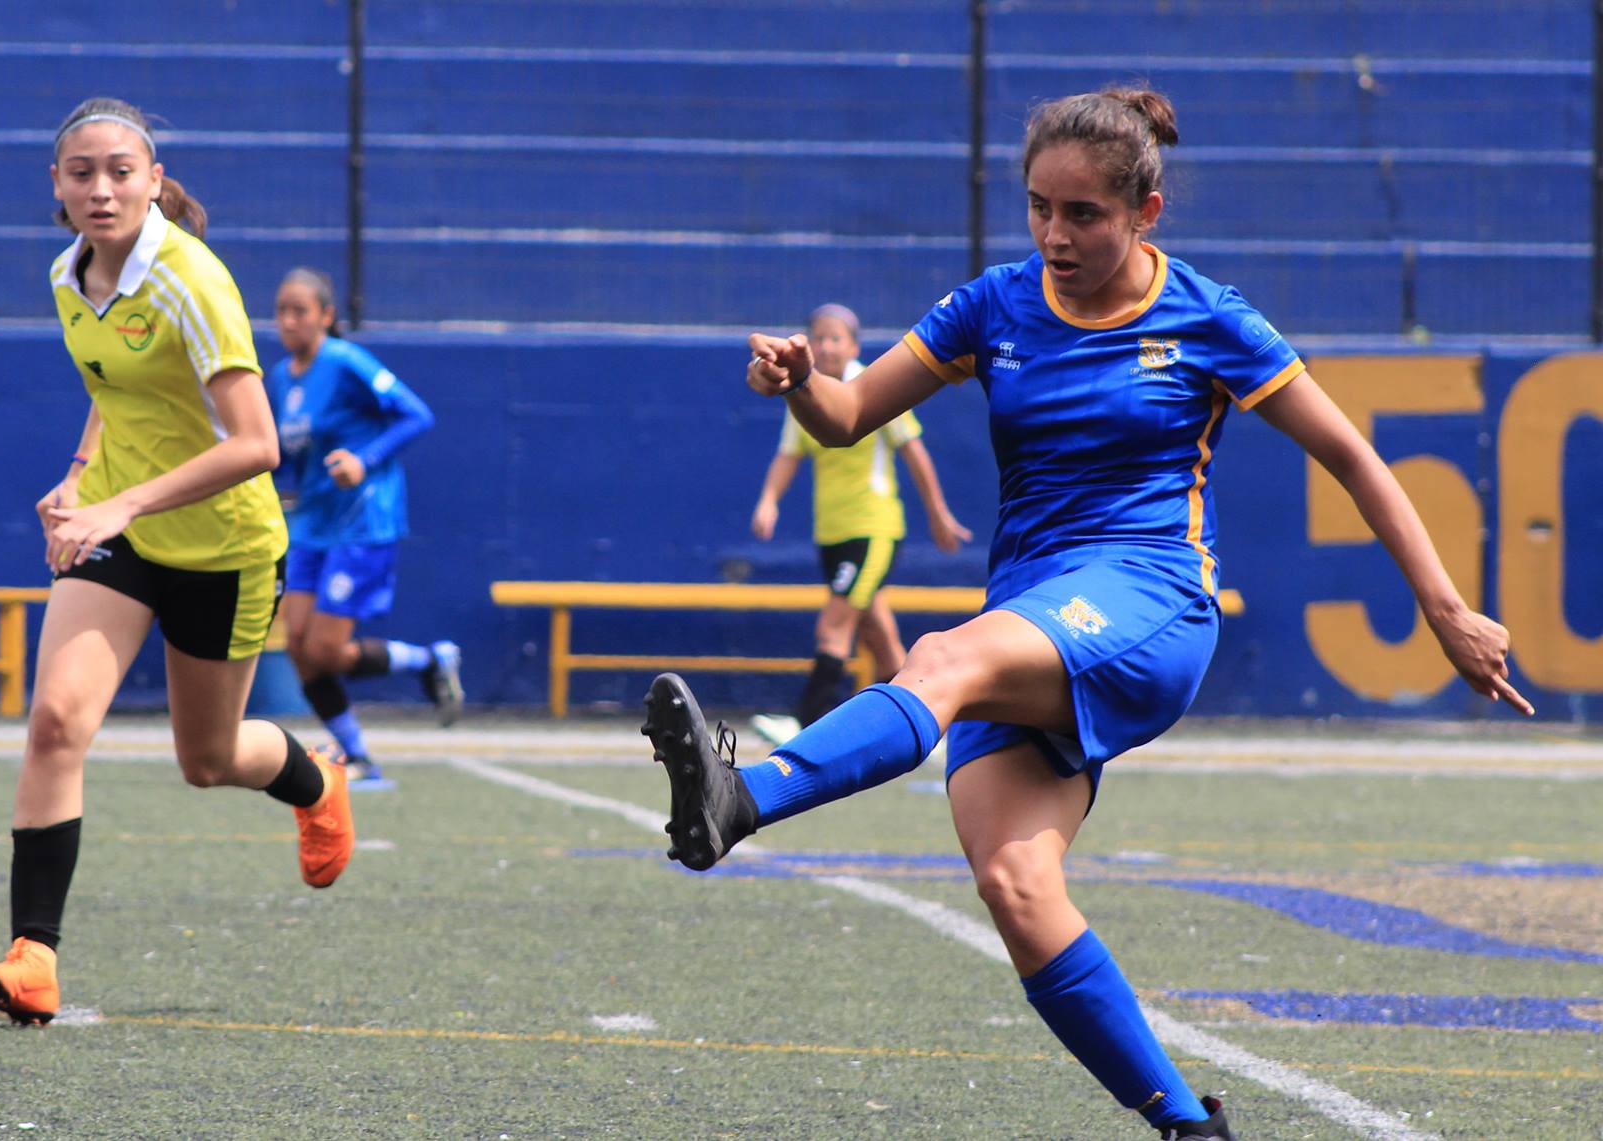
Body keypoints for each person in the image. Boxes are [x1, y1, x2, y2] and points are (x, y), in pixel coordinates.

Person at [642, 87, 1530, 1140]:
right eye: (1037, 209)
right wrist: (797, 380)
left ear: (1143, 213)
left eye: (1083, 215)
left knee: (937, 656)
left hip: (1149, 602)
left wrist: (1444, 608)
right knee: (1015, 885)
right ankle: (1188, 1126)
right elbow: (843, 420)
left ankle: (742, 797)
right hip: (1033, 616)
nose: (1054, 236)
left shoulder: (1207, 318)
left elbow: (1351, 458)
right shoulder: (994, 305)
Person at [0, 97, 355, 1027]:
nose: (101, 188)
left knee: (208, 759)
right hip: (124, 534)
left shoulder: (189, 279)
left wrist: (118, 500)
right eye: (81, 171)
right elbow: (117, 392)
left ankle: (316, 778)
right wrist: (78, 479)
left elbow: (256, 444)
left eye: (120, 171)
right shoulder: (69, 275)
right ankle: (35, 958)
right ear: (55, 184)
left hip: (225, 547)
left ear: (154, 178)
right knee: (56, 720)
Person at [266, 267, 461, 785]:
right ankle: (357, 755)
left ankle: (425, 661)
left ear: (326, 316)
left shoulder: (346, 361)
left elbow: (416, 414)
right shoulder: (281, 378)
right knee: (300, 648)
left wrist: (364, 460)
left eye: (300, 310)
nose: (288, 320)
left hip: (361, 521)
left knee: (326, 650)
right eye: (281, 310)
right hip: (311, 524)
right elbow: (287, 461)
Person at [747, 302, 970, 746]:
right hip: (832, 533)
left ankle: (807, 720)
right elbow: (788, 456)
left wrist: (937, 512)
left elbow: (914, 452)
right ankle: (927, 726)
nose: (828, 347)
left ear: (853, 345)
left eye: (837, 338)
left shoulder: (870, 389)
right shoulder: (805, 395)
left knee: (834, 624)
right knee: (880, 635)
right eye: (820, 338)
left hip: (872, 530)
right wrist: (768, 501)